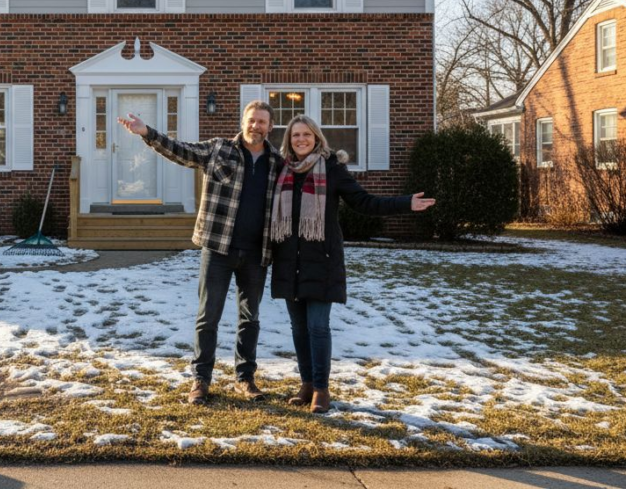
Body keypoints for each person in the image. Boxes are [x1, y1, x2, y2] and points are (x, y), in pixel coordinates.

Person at [118, 101, 283, 405]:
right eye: (251, 120)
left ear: (270, 126)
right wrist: (147, 133)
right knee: (208, 316)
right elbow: (181, 151)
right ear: (242, 122)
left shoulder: (278, 163)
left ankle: (245, 378)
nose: (256, 126)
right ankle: (201, 379)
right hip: (218, 248)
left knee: (250, 318)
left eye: (262, 121)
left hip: (257, 252)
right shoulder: (219, 149)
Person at [269, 114, 435, 413]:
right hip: (288, 261)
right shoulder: (282, 171)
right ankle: (306, 384)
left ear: (316, 138)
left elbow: (364, 202)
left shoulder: (332, 169)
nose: (301, 139)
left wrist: (405, 202)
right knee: (298, 328)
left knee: (318, 327)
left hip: (322, 260)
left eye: (306, 134)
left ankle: (321, 389)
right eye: (295, 135)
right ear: (288, 140)